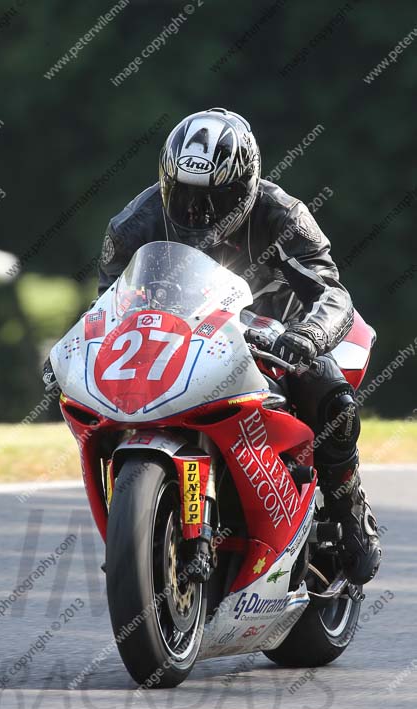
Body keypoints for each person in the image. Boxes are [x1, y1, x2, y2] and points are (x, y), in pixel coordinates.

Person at [46, 107, 381, 585]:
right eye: (183, 196)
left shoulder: (282, 214)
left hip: (272, 339)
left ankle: (349, 511)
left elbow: (331, 291)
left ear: (245, 189)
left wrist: (305, 338)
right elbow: (108, 307)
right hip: (179, 341)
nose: (196, 214)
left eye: (215, 199)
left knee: (328, 388)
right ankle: (145, 533)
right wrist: (71, 352)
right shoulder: (132, 226)